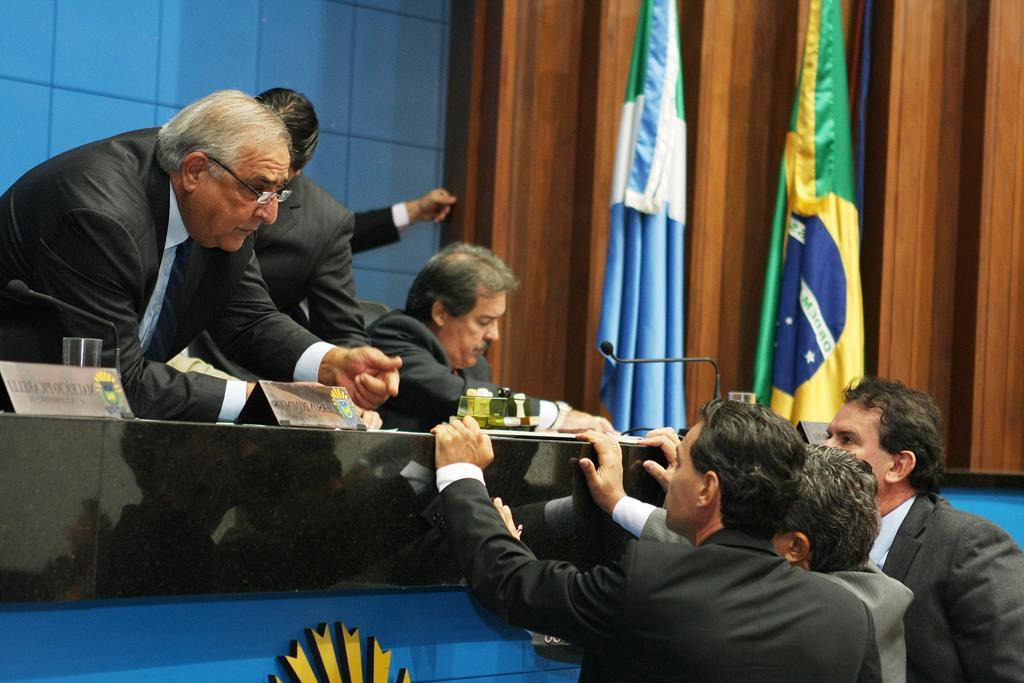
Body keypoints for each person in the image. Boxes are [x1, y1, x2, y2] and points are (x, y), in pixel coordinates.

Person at [0, 89, 400, 421]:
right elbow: (113, 385)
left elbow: (249, 320)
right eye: (258, 188)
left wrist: (333, 364)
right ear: (194, 171)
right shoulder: (99, 216)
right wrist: (273, 402)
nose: (270, 213)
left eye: (278, 193)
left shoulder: (220, 213)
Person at [430, 400, 881, 681]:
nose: (670, 476)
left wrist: (462, 474)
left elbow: (514, 583)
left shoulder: (650, 580)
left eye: (680, 464)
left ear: (707, 489)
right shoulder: (847, 614)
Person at [584, 428, 912, 682]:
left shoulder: (851, 607)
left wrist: (620, 502)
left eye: (766, 520)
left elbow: (731, 558)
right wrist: (690, 484)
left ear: (796, 548)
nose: (751, 529)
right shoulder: (864, 571)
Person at [182, 87, 454, 379]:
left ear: (295, 169)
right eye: (252, 185)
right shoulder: (190, 170)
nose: (266, 209)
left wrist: (353, 380)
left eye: (275, 187)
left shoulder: (324, 221)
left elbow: (339, 332)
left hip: (247, 372)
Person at [824, 377, 1024, 682]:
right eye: (828, 436)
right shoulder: (820, 536)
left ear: (898, 466)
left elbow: (1007, 672)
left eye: (846, 440)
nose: (824, 448)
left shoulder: (968, 545)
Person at [369, 242, 615, 433]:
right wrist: (555, 416)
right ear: (440, 313)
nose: (494, 335)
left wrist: (543, 433)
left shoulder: (477, 371)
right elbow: (460, 399)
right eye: (484, 321)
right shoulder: (394, 337)